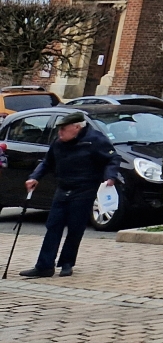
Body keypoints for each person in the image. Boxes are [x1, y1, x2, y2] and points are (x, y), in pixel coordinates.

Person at [16, 111, 119, 279]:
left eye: (63, 129)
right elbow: (47, 162)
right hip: (63, 188)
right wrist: (34, 177)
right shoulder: (59, 143)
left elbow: (113, 159)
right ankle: (44, 266)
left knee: (75, 227)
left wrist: (110, 177)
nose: (60, 133)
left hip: (84, 189)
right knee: (53, 225)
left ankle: (67, 263)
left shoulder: (95, 140)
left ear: (76, 127)